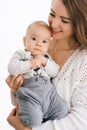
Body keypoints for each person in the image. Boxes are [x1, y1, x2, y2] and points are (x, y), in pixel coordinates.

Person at [6, 0, 87, 130]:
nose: (53, 24)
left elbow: (82, 121)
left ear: (79, 23)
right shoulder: (40, 44)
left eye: (64, 21)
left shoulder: (83, 62)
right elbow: (24, 102)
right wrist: (15, 89)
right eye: (52, 13)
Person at [7, 21, 68, 128]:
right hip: (29, 94)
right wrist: (30, 64)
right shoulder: (21, 54)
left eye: (44, 41)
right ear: (25, 40)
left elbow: (55, 71)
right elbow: (12, 67)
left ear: (49, 44)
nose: (39, 44)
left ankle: (47, 119)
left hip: (49, 95)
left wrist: (44, 61)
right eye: (34, 39)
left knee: (63, 110)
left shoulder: (46, 57)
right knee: (33, 121)